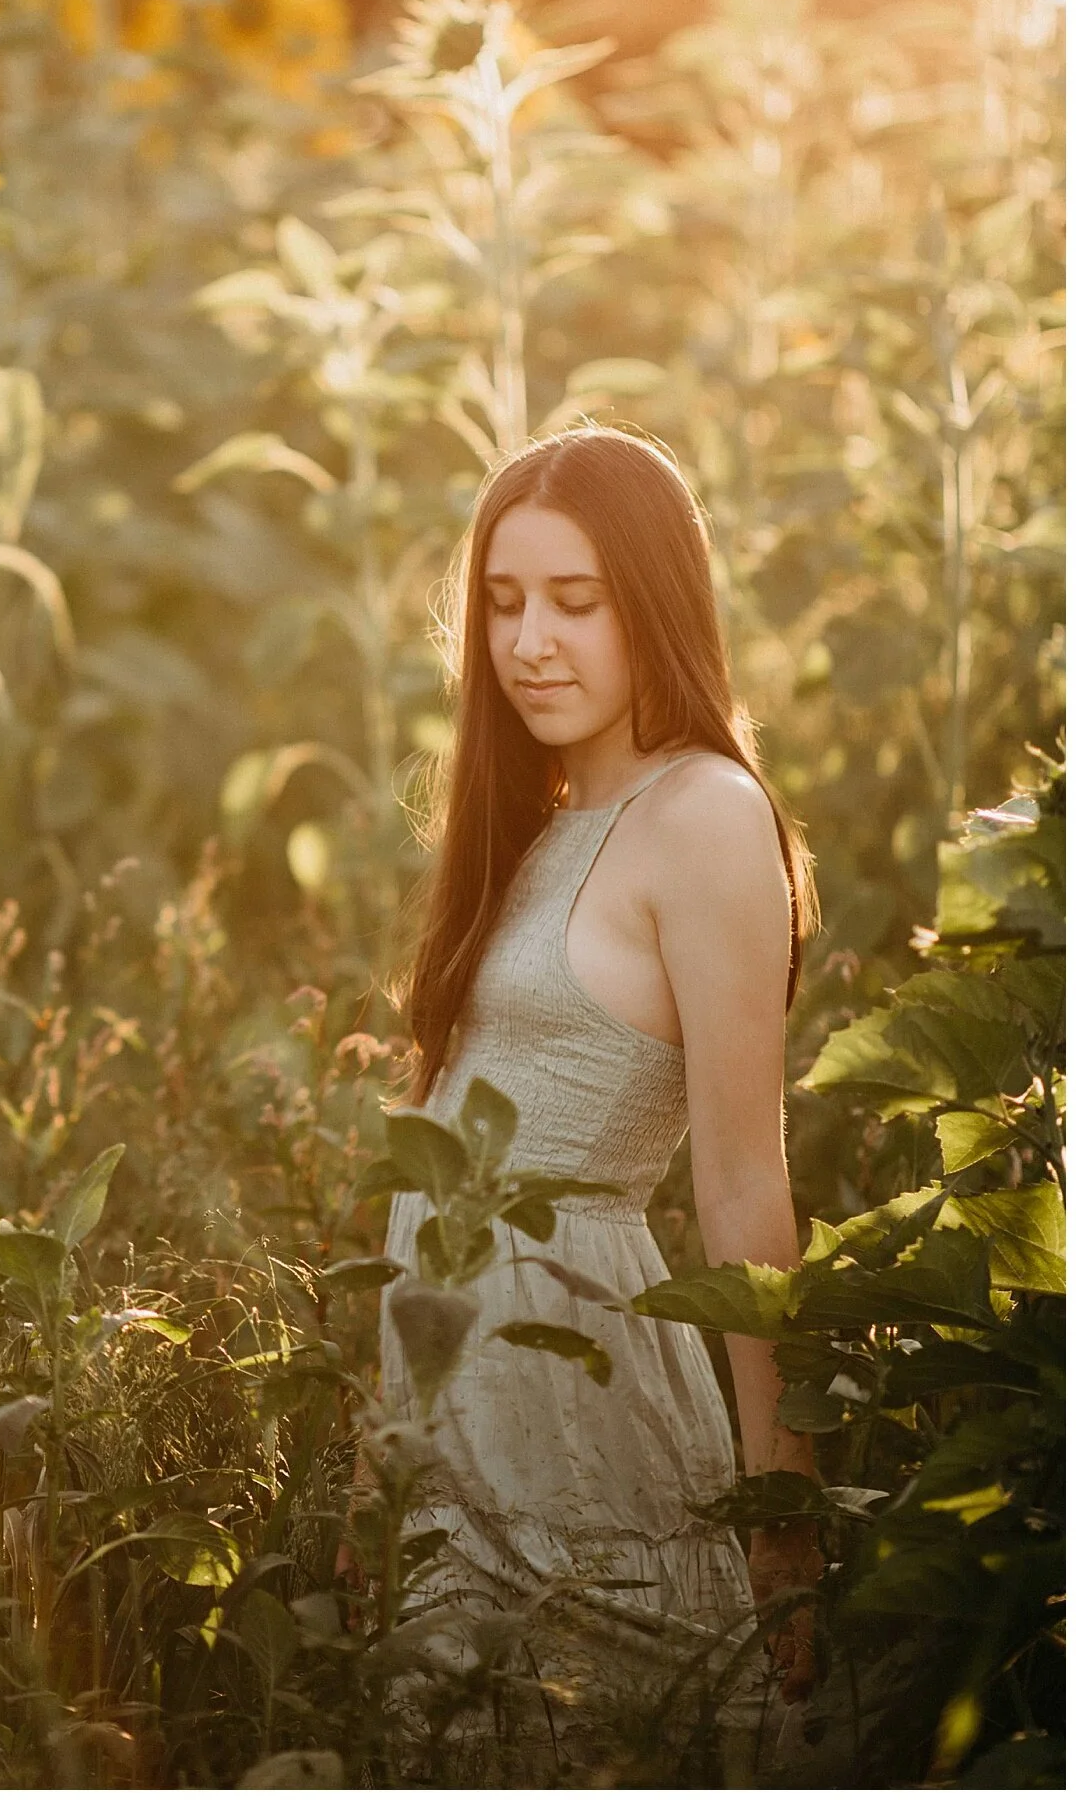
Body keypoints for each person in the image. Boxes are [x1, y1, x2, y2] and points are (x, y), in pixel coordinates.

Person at [357, 424, 822, 1743]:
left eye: (576, 600)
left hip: (578, 1381)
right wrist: (377, 1452)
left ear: (654, 603)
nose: (529, 643)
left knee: (600, 1737)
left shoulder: (706, 819)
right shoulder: (544, 817)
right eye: (503, 603)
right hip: (448, 1408)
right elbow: (438, 1130)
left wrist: (782, 1512)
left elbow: (742, 1186)